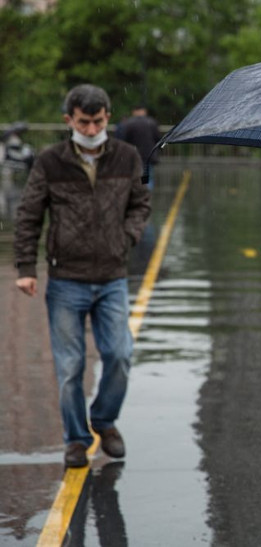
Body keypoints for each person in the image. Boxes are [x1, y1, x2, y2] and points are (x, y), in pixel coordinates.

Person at [13, 84, 151, 468]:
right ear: (68, 120)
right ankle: (75, 438)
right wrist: (26, 268)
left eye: (98, 121)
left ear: (108, 116)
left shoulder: (126, 157)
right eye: (83, 122)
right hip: (66, 279)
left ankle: (103, 420)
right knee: (70, 365)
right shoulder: (50, 161)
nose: (91, 129)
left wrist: (127, 237)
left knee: (120, 354)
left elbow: (141, 203)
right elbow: (29, 214)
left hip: (112, 276)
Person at [116, 105, 161, 189]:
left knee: (134, 179)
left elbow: (124, 140)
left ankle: (137, 197)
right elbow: (158, 138)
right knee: (147, 179)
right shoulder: (151, 122)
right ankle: (146, 197)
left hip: (133, 156)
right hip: (148, 156)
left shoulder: (128, 123)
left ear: (134, 112)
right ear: (144, 111)